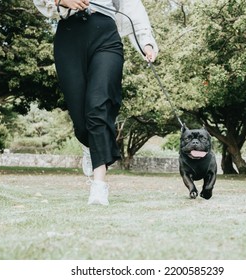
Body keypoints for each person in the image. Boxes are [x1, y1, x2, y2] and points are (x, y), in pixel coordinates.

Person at [33, 0, 158, 205]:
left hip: (106, 37)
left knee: (98, 106)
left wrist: (146, 43)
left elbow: (133, 8)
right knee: (81, 120)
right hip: (69, 37)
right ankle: (89, 144)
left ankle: (99, 186)